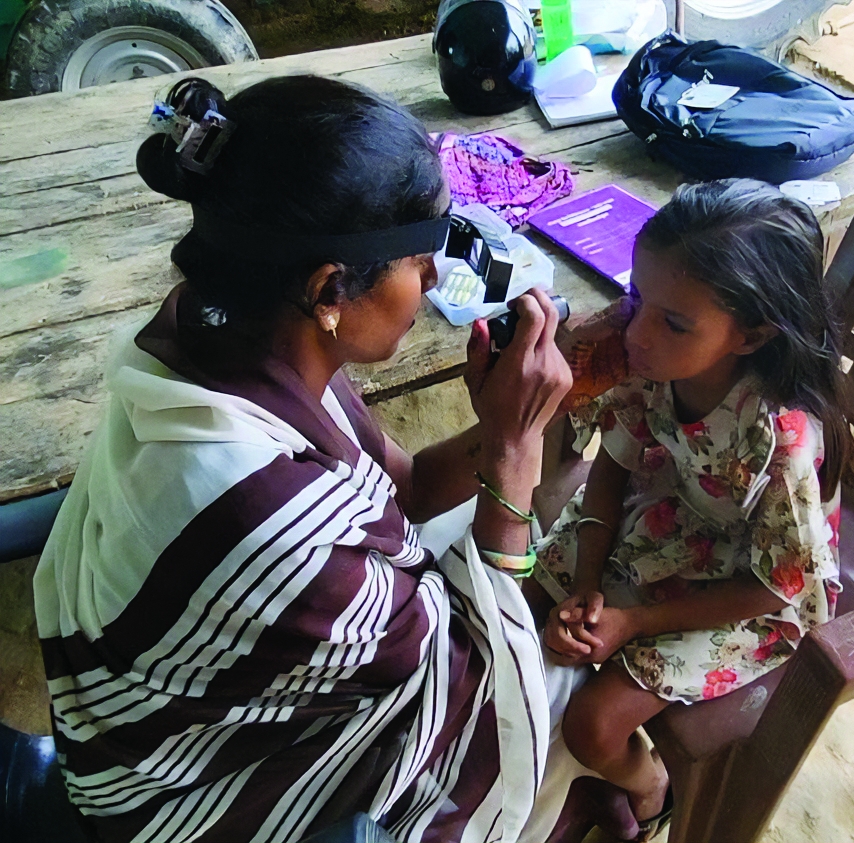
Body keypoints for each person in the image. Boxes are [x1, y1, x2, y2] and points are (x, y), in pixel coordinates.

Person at [33, 75, 580, 843]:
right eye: (422, 258)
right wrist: (517, 450)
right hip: (180, 793)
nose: (431, 281)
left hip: (156, 696)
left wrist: (500, 425)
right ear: (330, 289)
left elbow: (409, 485)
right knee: (562, 692)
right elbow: (474, 670)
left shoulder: (214, 330)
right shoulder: (280, 524)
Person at [529, 179, 854, 837]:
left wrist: (632, 621)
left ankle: (653, 792)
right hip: (671, 520)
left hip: (750, 589)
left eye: (673, 320)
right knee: (528, 609)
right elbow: (615, 466)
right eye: (636, 297)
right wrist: (590, 585)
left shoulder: (781, 439)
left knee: (593, 724)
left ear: (752, 334)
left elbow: (775, 586)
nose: (639, 331)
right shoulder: (651, 355)